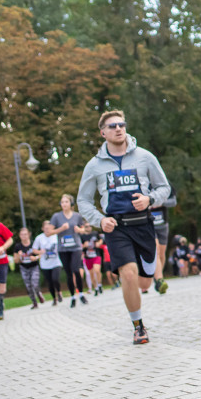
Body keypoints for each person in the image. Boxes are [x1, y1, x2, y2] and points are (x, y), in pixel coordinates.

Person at [77, 110, 172, 345]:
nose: (118, 128)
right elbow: (83, 200)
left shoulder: (144, 157)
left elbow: (164, 188)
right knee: (128, 274)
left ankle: (146, 280)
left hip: (143, 225)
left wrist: (149, 199)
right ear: (103, 133)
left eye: (121, 124)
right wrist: (99, 220)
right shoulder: (94, 166)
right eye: (112, 126)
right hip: (116, 228)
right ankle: (138, 327)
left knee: (144, 282)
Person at [47, 195, 89, 308]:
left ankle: (81, 293)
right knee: (69, 273)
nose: (64, 204)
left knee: (76, 269)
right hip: (63, 249)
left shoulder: (77, 216)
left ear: (71, 204)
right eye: (62, 202)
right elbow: (49, 232)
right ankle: (72, 297)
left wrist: (80, 230)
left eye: (66, 202)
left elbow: (85, 229)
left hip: (76, 247)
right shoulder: (56, 217)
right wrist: (61, 229)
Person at [149, 190, 176, 294]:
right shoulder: (143, 182)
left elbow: (173, 202)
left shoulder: (165, 184)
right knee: (156, 250)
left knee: (161, 254)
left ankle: (158, 278)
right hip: (149, 223)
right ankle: (160, 280)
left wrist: (159, 202)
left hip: (163, 223)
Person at [32, 220, 63, 305]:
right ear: (42, 229)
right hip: (45, 264)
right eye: (45, 228)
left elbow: (63, 245)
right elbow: (34, 250)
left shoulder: (56, 236)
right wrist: (39, 252)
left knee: (55, 279)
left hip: (56, 262)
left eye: (49, 228)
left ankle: (59, 292)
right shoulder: (39, 238)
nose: (47, 229)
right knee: (50, 282)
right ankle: (54, 298)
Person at [14, 227, 44, 309]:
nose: (24, 236)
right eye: (22, 234)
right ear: (19, 236)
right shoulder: (18, 246)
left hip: (34, 266)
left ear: (29, 235)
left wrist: (36, 258)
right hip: (24, 268)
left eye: (25, 234)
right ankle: (34, 302)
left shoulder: (33, 244)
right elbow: (16, 261)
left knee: (34, 283)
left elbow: (42, 253)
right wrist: (19, 256)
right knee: (28, 286)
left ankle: (38, 293)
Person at [80, 224, 104, 296]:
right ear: (84, 227)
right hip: (88, 257)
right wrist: (84, 245)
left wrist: (99, 243)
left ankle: (99, 284)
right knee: (91, 274)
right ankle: (95, 288)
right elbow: (79, 247)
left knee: (97, 270)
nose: (89, 227)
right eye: (87, 226)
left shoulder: (95, 233)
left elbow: (101, 239)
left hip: (96, 255)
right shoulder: (82, 236)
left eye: (90, 226)